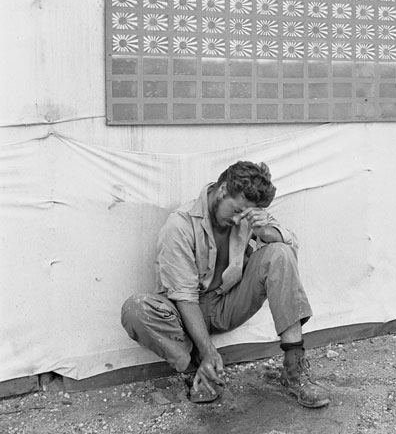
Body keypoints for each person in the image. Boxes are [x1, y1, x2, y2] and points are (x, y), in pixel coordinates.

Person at [121, 160, 330, 409]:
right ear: (222, 191)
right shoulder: (180, 224)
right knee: (136, 309)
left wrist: (265, 230)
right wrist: (208, 351)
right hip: (184, 311)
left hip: (227, 304)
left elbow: (290, 246)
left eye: (247, 214)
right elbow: (185, 297)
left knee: (280, 253)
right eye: (237, 210)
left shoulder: (248, 213)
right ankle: (197, 370)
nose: (240, 218)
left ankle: (294, 370)